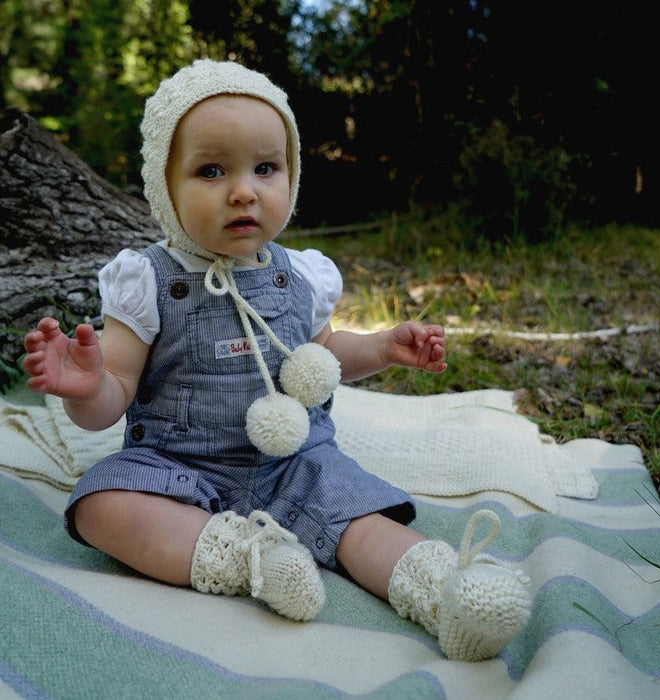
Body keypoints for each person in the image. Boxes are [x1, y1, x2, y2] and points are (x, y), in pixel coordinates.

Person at [22, 59, 531, 661]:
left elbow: (321, 357)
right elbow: (117, 393)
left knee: (357, 520)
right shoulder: (148, 280)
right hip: (179, 466)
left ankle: (447, 592)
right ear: (164, 185)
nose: (244, 190)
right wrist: (87, 387)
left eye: (266, 168)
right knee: (102, 505)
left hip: (296, 461)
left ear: (291, 174)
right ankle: (253, 558)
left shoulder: (302, 275)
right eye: (211, 170)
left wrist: (380, 348)